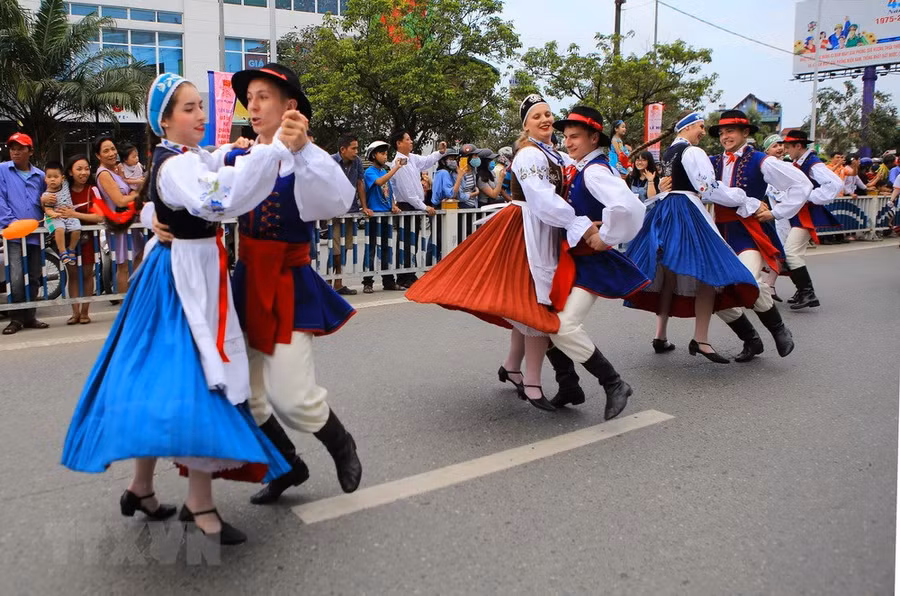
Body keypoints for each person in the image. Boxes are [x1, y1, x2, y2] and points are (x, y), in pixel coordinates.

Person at [62, 72, 300, 545]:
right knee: (196, 385)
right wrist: (272, 150)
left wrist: (246, 151)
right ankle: (200, 503)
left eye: (200, 106)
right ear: (164, 122)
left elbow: (209, 168)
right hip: (183, 279)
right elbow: (220, 198)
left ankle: (141, 488)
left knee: (159, 382)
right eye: (189, 108)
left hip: (184, 271)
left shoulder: (182, 157)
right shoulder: (175, 166)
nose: (200, 115)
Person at [407, 94, 605, 411]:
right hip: (526, 231)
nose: (545, 119)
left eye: (548, 114)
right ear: (526, 125)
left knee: (523, 307)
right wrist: (579, 224)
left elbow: (575, 175)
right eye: (537, 116)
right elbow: (541, 198)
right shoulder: (529, 154)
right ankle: (533, 383)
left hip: (542, 229)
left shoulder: (552, 153)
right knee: (534, 309)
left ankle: (514, 368)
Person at [225, 63, 360, 504]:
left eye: (264, 96)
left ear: (290, 107)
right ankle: (287, 466)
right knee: (244, 393)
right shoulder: (240, 158)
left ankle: (341, 443)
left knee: (293, 397)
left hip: (287, 283)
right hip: (247, 282)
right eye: (250, 98)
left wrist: (303, 149)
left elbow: (336, 202)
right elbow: (206, 197)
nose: (253, 106)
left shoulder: (306, 160)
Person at [540, 106, 650, 415]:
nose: (568, 142)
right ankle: (568, 385)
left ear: (593, 138)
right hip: (571, 260)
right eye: (566, 137)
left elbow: (630, 206)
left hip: (590, 263)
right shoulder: (579, 166)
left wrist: (607, 236)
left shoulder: (595, 171)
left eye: (575, 136)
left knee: (562, 326)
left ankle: (614, 383)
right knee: (543, 321)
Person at [625, 111, 759, 362]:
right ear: (688, 127)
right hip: (686, 211)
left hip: (665, 210)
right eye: (701, 126)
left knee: (668, 275)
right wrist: (742, 197)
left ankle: (660, 336)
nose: (703, 132)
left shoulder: (669, 152)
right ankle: (701, 339)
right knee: (707, 272)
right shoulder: (692, 151)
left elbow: (669, 184)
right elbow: (707, 188)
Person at [708, 110, 811, 363]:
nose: (725, 136)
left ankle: (778, 329)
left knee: (748, 281)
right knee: (712, 291)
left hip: (747, 232)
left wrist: (776, 212)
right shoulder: (711, 162)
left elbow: (801, 184)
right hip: (718, 234)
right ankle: (751, 339)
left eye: (730, 131)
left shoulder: (760, 160)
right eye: (721, 132)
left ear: (745, 133)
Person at [780, 130, 843, 310]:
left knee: (791, 253)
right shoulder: (801, 163)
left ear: (798, 146)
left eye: (788, 147)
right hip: (800, 214)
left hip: (807, 215)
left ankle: (807, 293)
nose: (786, 151)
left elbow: (835, 184)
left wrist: (807, 196)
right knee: (794, 254)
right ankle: (803, 291)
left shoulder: (813, 164)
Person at [0, 133, 49, 335]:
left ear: (30, 151)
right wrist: (12, 222)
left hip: (35, 234)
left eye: (20, 148)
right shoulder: (3, 170)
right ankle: (16, 318)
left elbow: (46, 200)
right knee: (16, 277)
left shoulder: (41, 176)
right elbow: (0, 199)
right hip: (13, 234)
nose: (15, 152)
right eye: (13, 148)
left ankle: (30, 316)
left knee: (35, 275)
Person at [388, 130, 443, 287]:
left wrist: (439, 152)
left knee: (413, 242)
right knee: (405, 242)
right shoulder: (398, 163)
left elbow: (426, 161)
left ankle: (410, 274)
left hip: (415, 205)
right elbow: (408, 193)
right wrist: (424, 207)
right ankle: (403, 276)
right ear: (399, 143)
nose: (411, 141)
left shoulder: (411, 158)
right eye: (408, 139)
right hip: (406, 206)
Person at [55, 155, 104, 324]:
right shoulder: (62, 190)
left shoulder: (93, 190)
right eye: (79, 169)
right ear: (70, 172)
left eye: (86, 168)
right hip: (68, 240)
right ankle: (75, 312)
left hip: (88, 240)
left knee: (87, 274)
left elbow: (100, 216)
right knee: (73, 275)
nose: (84, 172)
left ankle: (85, 312)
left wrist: (74, 214)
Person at [93, 135, 142, 294]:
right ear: (98, 155)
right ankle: (123, 303)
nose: (111, 153)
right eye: (106, 151)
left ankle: (132, 297)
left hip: (129, 223)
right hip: (119, 225)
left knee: (139, 257)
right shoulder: (103, 174)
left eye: (113, 149)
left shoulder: (114, 171)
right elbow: (120, 201)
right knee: (124, 267)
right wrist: (139, 193)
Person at [362, 140, 404, 293]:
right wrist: (395, 169)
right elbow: (380, 183)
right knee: (371, 248)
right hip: (374, 215)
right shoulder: (370, 172)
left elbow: (388, 191)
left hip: (386, 215)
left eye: (386, 153)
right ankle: (368, 282)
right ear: (373, 155)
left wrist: (393, 205)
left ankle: (388, 281)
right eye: (382, 153)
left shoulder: (384, 171)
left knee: (387, 248)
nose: (385, 156)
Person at [330, 133, 366, 296]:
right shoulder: (330, 161)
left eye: (357, 148)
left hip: (351, 210)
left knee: (345, 247)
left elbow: (360, 183)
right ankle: (328, 283)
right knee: (335, 247)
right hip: (334, 212)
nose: (356, 152)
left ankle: (338, 283)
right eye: (353, 148)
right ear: (342, 149)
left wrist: (364, 206)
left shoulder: (357, 162)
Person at [41, 162, 82, 266]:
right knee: (60, 228)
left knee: (77, 227)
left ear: (62, 178)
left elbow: (69, 173)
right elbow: (47, 210)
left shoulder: (65, 185)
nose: (52, 179)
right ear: (45, 179)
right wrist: (53, 214)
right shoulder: (47, 195)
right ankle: (62, 252)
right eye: (49, 177)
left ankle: (71, 249)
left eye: (56, 177)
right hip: (52, 218)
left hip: (68, 216)